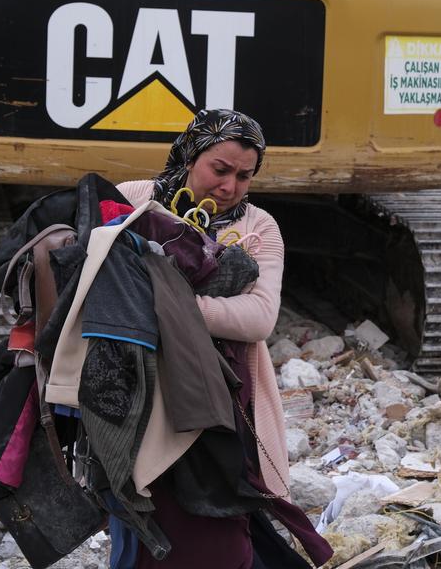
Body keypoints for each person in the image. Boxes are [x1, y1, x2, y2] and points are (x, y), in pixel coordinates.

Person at [116, 109, 319, 568]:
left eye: (245, 176)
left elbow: (260, 318)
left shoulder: (258, 227)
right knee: (144, 517)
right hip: (135, 392)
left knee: (220, 527)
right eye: (220, 170)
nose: (230, 187)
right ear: (191, 155)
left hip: (222, 401)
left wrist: (169, 309)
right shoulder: (134, 198)